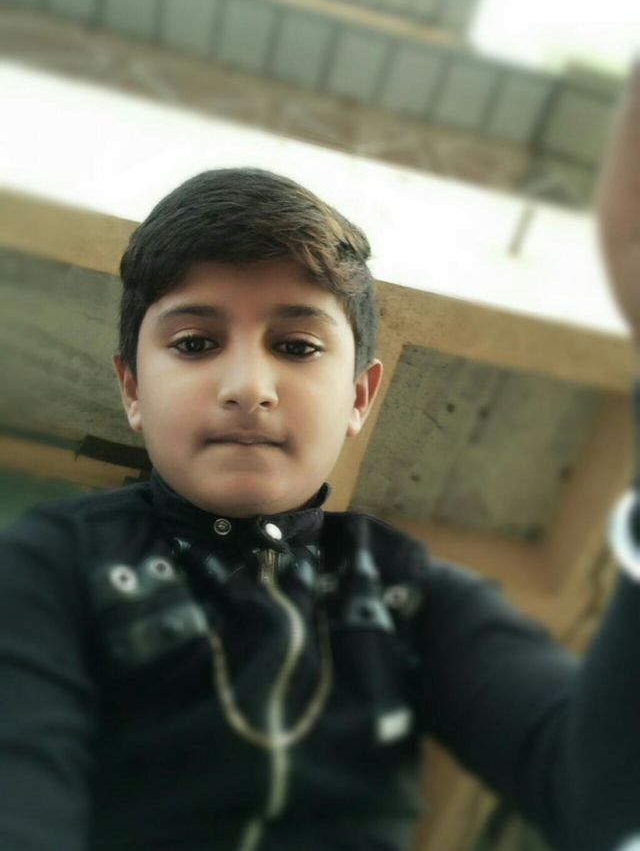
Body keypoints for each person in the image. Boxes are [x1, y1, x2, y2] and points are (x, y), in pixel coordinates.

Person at [1, 65, 640, 851]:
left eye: (297, 346)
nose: (247, 387)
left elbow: (600, 799)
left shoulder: (407, 595)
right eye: (195, 344)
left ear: (361, 396)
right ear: (132, 386)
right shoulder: (53, 566)